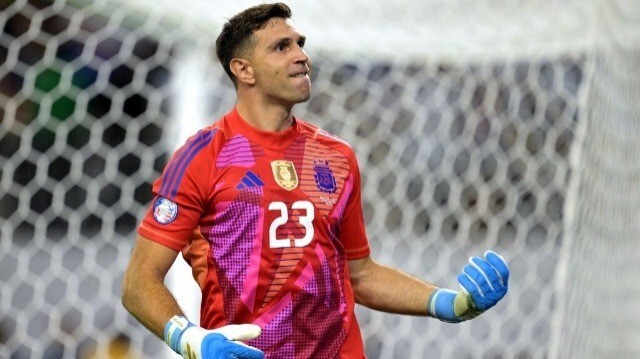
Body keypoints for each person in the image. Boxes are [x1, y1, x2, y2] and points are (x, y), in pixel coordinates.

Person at [121, 3, 510, 359]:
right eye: (281, 47)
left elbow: (361, 274)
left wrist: (451, 304)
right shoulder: (202, 156)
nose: (301, 56)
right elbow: (139, 284)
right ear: (243, 70)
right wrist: (190, 339)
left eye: (300, 44)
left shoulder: (336, 157)